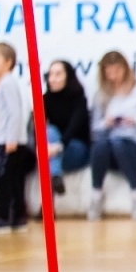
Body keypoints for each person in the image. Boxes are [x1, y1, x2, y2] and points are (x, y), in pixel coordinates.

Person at [88, 50, 136, 221]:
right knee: (101, 145)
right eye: (109, 72)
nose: (113, 76)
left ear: (125, 69)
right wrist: (106, 123)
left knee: (118, 143)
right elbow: (94, 129)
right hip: (110, 146)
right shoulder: (101, 94)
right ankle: (96, 196)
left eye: (117, 71)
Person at [0, 42, 33, 233]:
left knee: (3, 179)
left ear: (8, 62)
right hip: (8, 139)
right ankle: (18, 217)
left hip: (8, 141)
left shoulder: (7, 83)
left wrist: (11, 139)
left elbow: (15, 113)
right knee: (13, 179)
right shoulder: (3, 84)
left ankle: (4, 217)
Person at [43, 60, 91, 196]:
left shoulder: (79, 99)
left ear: (68, 76)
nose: (53, 79)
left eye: (58, 74)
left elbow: (73, 128)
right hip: (53, 151)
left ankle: (47, 204)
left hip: (75, 149)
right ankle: (55, 178)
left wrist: (59, 146)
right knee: (50, 133)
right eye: (51, 74)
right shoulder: (44, 99)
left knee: (51, 147)